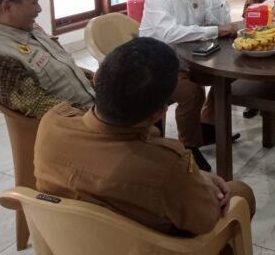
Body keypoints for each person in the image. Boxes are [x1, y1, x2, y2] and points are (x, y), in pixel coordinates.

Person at [34, 37, 255, 236]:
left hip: (69, 241)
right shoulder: (166, 165)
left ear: (96, 78)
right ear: (159, 113)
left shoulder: (52, 123)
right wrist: (194, 183)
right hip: (147, 248)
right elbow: (204, 221)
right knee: (241, 193)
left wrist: (192, 179)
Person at [139, 0, 238, 151]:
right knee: (191, 93)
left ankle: (208, 125)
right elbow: (169, 33)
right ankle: (189, 148)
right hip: (159, 68)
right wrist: (214, 31)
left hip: (192, 60)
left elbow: (222, 23)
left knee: (226, 76)